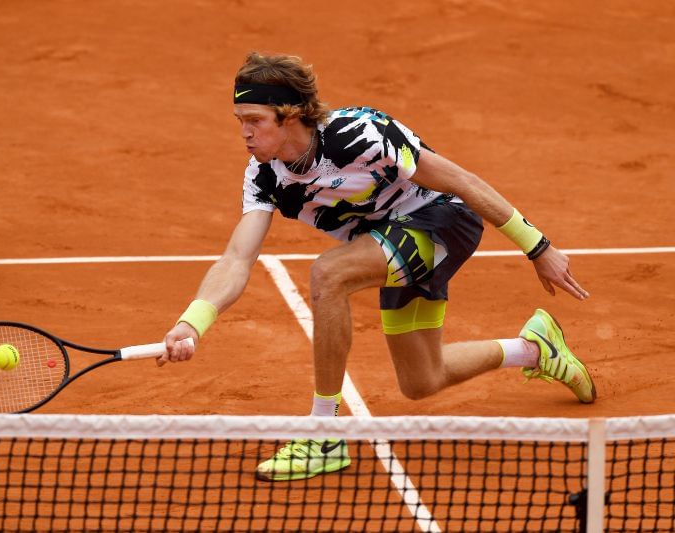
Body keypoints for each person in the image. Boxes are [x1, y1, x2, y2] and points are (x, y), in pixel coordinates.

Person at [161, 52, 595, 482]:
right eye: (240, 120)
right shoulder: (265, 176)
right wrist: (193, 322)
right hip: (385, 243)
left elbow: (463, 181)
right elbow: (237, 258)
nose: (244, 132)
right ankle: (536, 349)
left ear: (289, 115)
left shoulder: (363, 134)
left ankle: (323, 435)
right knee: (422, 379)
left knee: (329, 274)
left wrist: (538, 248)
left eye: (254, 119)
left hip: (443, 220)